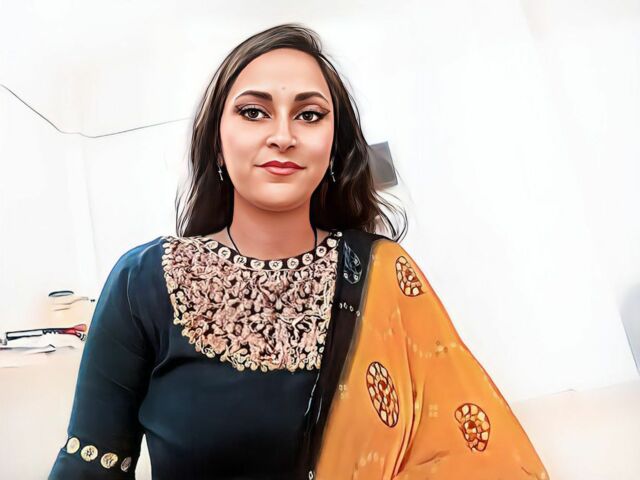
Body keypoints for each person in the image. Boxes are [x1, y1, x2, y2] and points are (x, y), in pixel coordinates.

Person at [49, 23, 550, 480]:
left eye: (309, 115)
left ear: (333, 147)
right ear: (217, 141)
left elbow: (474, 457)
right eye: (253, 112)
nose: (283, 136)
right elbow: (87, 466)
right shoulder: (144, 280)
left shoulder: (383, 276)